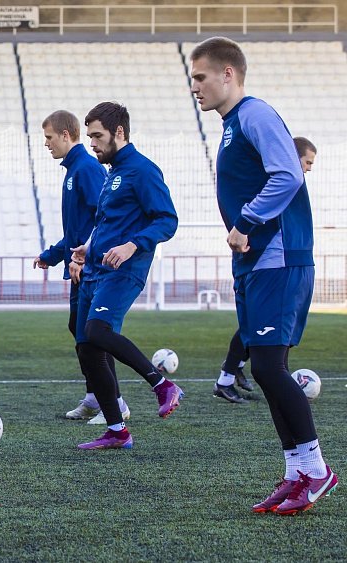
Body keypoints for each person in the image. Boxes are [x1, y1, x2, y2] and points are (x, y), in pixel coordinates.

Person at [190, 37, 336, 515]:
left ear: (228, 74)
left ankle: (317, 471)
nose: (195, 87)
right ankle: (296, 472)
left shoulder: (255, 115)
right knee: (262, 367)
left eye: (201, 77)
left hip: (278, 257)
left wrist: (247, 221)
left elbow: (288, 174)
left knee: (270, 367)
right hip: (256, 262)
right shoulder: (233, 125)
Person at [68, 101, 182, 451]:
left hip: (124, 270)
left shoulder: (143, 170)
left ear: (119, 132)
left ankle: (162, 384)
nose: (93, 144)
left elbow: (167, 220)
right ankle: (117, 431)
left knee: (98, 330)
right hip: (96, 270)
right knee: (86, 346)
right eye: (89, 137)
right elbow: (107, 222)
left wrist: (133, 245)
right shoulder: (113, 172)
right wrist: (88, 247)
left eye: (98, 136)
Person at [33, 110, 129, 425]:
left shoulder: (86, 169)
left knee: (95, 333)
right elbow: (78, 230)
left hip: (92, 268)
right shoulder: (74, 170)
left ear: (65, 135)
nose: (46, 144)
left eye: (49, 137)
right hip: (79, 266)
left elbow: (104, 218)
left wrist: (82, 256)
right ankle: (94, 396)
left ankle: (114, 402)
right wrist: (53, 254)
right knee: (80, 330)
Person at [212, 136, 318, 404]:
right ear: (293, 158)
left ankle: (232, 374)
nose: (308, 168)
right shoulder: (280, 181)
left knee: (260, 330)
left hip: (264, 261)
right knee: (261, 333)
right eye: (307, 162)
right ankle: (232, 373)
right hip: (269, 263)